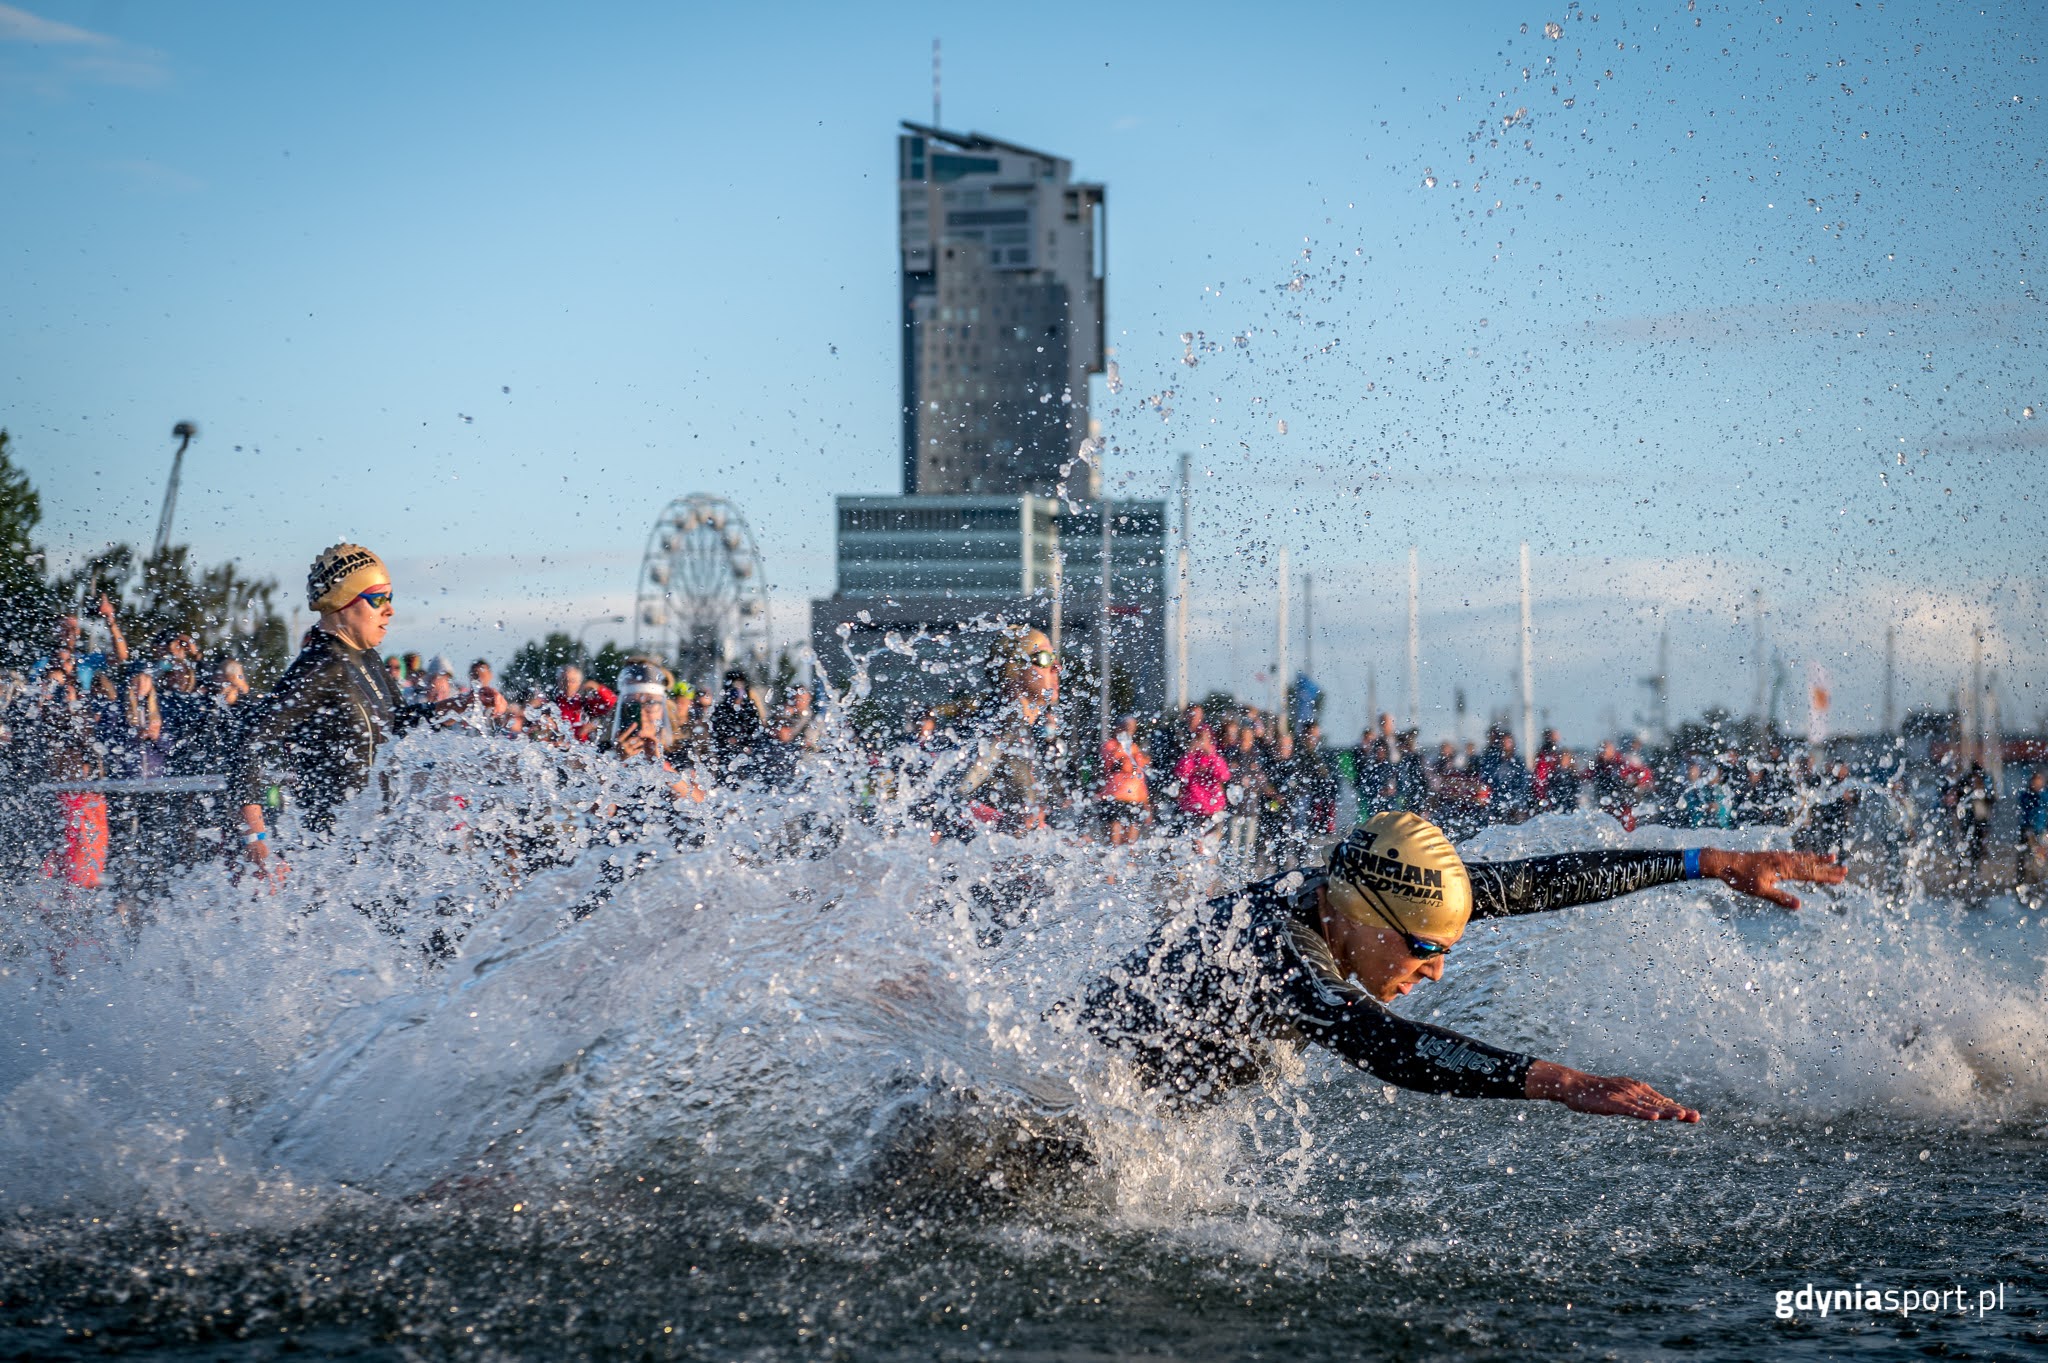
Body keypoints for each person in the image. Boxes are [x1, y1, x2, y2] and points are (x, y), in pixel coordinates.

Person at [1079, 811, 1845, 1120]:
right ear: (1366, 919)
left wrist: (1707, 861)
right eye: (1426, 949)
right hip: (1057, 1111)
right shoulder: (1280, 954)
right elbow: (1389, 1045)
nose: (1438, 970)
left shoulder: (1363, 890)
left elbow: (1545, 879)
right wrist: (1566, 1082)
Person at [228, 545, 480, 875]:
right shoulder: (320, 666)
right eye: (378, 599)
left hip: (378, 845)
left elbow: (398, 725)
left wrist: (456, 706)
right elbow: (248, 740)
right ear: (343, 605)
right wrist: (256, 838)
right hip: (328, 854)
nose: (390, 610)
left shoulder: (367, 658)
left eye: (391, 598)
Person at [946, 628, 1065, 834]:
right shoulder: (999, 726)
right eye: (1044, 658)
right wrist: (1002, 821)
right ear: (1014, 669)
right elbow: (949, 797)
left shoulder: (1024, 731)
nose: (1057, 667)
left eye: (1055, 658)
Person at [1098, 714, 1152, 845]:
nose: (1129, 731)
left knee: (1130, 845)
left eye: (1132, 728)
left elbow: (1140, 778)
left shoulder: (1135, 748)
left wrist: (1146, 803)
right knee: (1113, 843)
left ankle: (1128, 864)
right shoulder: (1110, 746)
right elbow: (1112, 763)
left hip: (1134, 798)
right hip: (1114, 797)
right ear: (1117, 728)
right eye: (1126, 728)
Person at [2017, 770, 2047, 886]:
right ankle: (2024, 881)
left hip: (2041, 830)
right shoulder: (2027, 795)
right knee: (2025, 857)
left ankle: (2039, 882)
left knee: (2040, 858)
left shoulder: (2044, 795)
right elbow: (2026, 812)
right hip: (2028, 829)